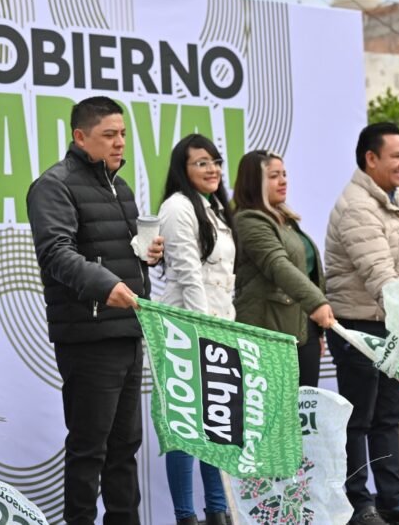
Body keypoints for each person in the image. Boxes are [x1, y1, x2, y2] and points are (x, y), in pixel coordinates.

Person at [26, 96, 164, 525]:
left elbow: (113, 254)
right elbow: (56, 254)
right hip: (88, 337)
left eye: (122, 134)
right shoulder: (54, 185)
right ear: (80, 137)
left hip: (127, 331)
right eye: (109, 135)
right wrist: (107, 286)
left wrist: (147, 256)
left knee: (126, 448)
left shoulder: (118, 186)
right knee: (90, 450)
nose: (120, 143)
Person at [324, 122, 399, 525]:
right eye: (397, 156)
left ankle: (392, 501)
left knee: (388, 417)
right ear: (371, 159)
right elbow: (381, 276)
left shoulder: (390, 200)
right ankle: (360, 505)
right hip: (359, 328)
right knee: (359, 421)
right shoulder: (358, 206)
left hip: (392, 326)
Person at [157, 134, 235, 525]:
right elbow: (188, 276)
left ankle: (218, 512)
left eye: (215, 161)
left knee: (217, 430)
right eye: (201, 163)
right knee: (185, 431)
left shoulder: (217, 208)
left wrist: (227, 333)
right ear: (183, 170)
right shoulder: (176, 207)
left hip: (219, 332)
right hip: (186, 333)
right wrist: (205, 334)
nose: (212, 169)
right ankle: (186, 517)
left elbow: (225, 281)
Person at [232, 150, 335, 387]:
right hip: (269, 332)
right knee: (276, 417)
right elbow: (278, 265)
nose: (283, 180)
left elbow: (306, 272)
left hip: (303, 328)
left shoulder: (286, 220)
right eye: (274, 175)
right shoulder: (249, 220)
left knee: (303, 413)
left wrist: (315, 332)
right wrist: (317, 303)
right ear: (253, 181)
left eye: (285, 174)